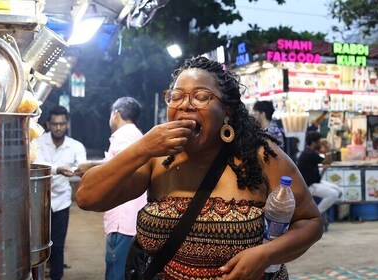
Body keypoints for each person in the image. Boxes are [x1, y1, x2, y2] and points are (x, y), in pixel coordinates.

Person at [76, 57, 323, 279]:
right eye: (176, 96)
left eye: (201, 96)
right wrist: (142, 148)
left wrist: (267, 254)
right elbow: (88, 198)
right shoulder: (157, 159)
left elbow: (311, 222)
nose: (185, 104)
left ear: (226, 110)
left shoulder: (261, 156)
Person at [75, 97, 147, 280]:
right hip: (132, 219)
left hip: (122, 220)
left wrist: (91, 166)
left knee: (117, 272)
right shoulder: (137, 135)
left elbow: (123, 165)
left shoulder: (124, 135)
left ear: (116, 114)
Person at [35, 105, 87, 280]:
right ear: (48, 124)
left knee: (57, 246)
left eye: (62, 124)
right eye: (55, 124)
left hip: (61, 202)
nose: (58, 128)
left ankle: (56, 277)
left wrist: (76, 170)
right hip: (38, 201)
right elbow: (36, 163)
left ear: (68, 124)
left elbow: (82, 166)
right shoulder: (39, 142)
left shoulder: (75, 146)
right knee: (37, 244)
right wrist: (58, 169)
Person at [297, 131, 342, 220]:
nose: (320, 143)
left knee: (339, 190)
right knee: (333, 194)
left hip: (315, 182)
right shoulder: (309, 154)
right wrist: (327, 148)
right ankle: (316, 214)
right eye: (319, 141)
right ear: (313, 142)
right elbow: (328, 161)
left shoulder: (308, 152)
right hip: (309, 186)